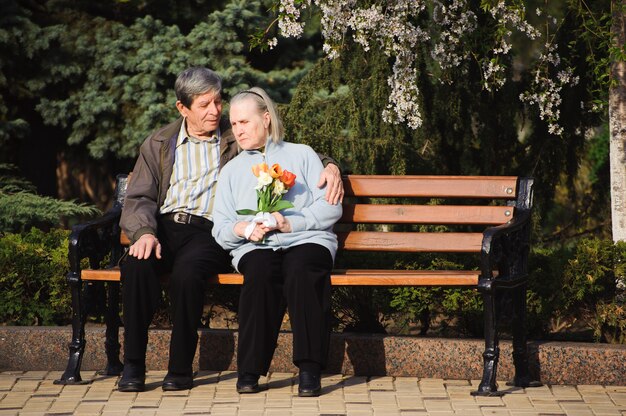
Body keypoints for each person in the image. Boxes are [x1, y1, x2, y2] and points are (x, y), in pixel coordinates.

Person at [118, 67, 343, 393]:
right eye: (204, 105)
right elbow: (139, 198)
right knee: (137, 267)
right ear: (183, 108)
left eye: (218, 102)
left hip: (205, 231)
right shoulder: (159, 143)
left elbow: (284, 149)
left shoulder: (232, 137)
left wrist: (331, 165)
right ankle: (133, 367)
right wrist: (144, 234)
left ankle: (180, 370)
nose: (215, 112)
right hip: (163, 227)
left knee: (188, 275)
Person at [212, 87, 343, 397]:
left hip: (307, 238)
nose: (238, 130)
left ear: (266, 118)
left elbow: (330, 206)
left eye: (245, 122)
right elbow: (221, 227)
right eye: (234, 123)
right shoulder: (231, 171)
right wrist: (244, 229)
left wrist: (290, 223)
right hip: (257, 246)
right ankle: (249, 370)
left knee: (301, 270)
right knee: (259, 272)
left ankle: (310, 369)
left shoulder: (302, 154)